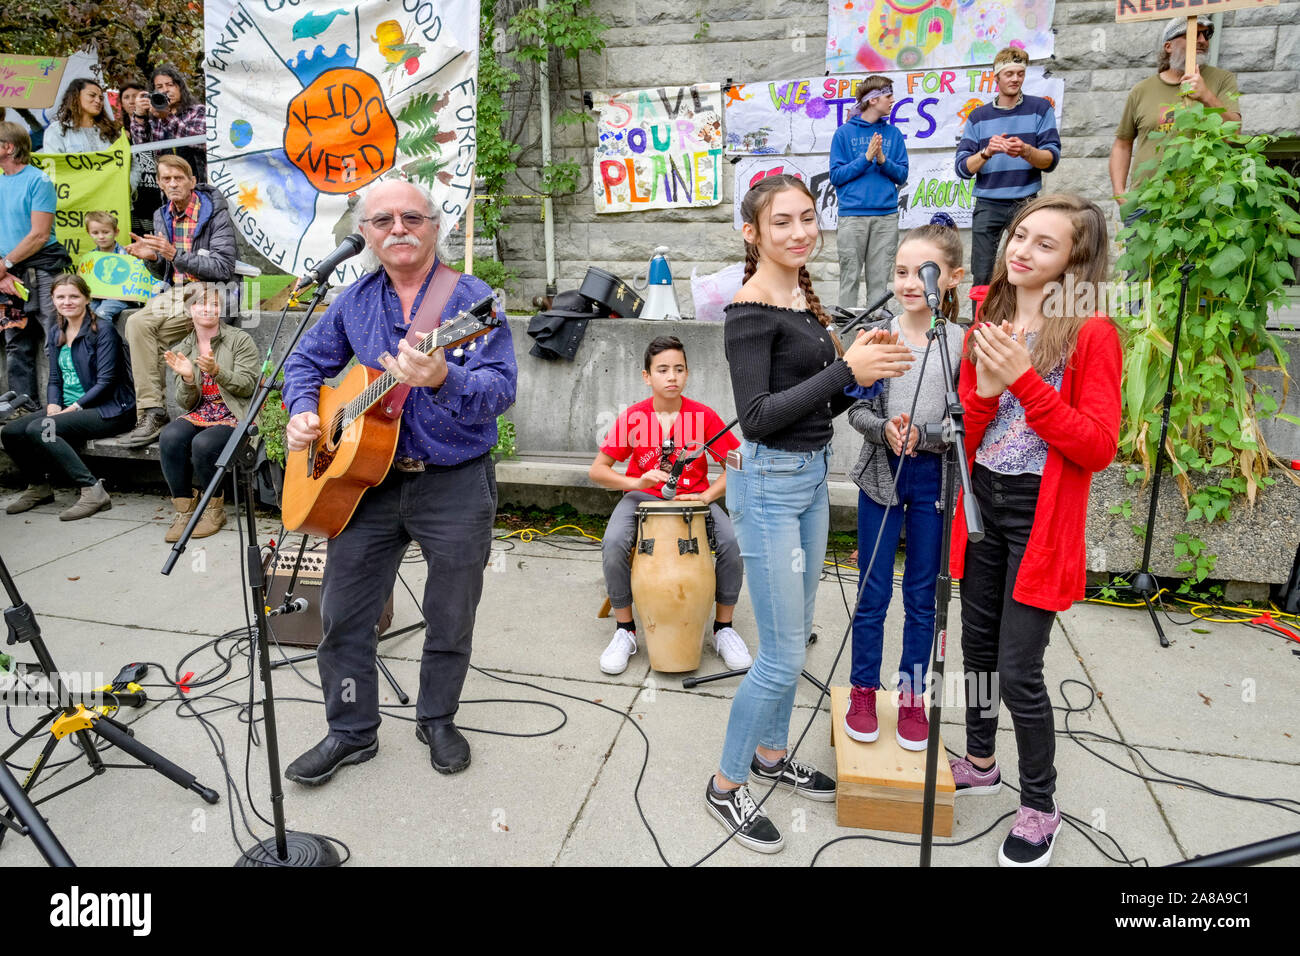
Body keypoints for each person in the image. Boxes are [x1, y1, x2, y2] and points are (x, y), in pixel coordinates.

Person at [281, 178, 517, 785]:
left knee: (450, 613)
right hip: (364, 485)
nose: (397, 229)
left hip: (454, 482)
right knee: (344, 614)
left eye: (411, 217)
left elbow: (500, 391)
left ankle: (437, 718)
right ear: (365, 235)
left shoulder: (472, 301)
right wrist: (306, 408)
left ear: (435, 226)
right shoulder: (353, 301)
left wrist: (443, 379)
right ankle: (351, 731)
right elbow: (305, 362)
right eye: (382, 220)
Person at [706, 174, 914, 853]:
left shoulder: (801, 300)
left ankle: (770, 755)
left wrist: (865, 382)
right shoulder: (749, 311)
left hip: (809, 480)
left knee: (794, 639)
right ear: (752, 233)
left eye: (807, 219)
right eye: (782, 222)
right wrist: (845, 369)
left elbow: (816, 407)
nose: (800, 232)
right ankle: (726, 784)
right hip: (768, 485)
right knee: (783, 653)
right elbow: (760, 419)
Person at [947, 193, 1120, 867]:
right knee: (977, 650)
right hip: (982, 497)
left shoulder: (1091, 331)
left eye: (1044, 244)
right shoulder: (988, 309)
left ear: (1075, 259)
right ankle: (984, 759)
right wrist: (988, 390)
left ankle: (1041, 806)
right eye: (1020, 235)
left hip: (1038, 509)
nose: (1021, 249)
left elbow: (1097, 445)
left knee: (1020, 668)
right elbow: (968, 421)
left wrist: (1024, 379)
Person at [844, 215, 965, 751]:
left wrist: (930, 432)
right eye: (900, 271)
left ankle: (913, 695)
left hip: (934, 481)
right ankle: (863, 690)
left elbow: (965, 423)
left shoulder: (960, 343)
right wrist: (885, 428)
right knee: (872, 592)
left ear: (953, 279)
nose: (910, 282)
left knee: (922, 596)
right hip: (881, 479)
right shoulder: (879, 336)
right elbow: (858, 411)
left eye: (924, 272)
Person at [589, 335, 751, 676]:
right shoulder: (633, 417)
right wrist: (635, 482)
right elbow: (597, 471)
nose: (672, 376)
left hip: (695, 501)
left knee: (732, 543)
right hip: (641, 500)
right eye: (662, 370)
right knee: (614, 542)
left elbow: (739, 464)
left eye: (679, 369)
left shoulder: (703, 416)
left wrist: (708, 496)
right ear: (647, 376)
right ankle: (625, 630)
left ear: (688, 374)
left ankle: (724, 629)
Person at [119, 154, 236, 447]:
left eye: (179, 178)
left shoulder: (215, 212)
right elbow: (167, 269)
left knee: (148, 332)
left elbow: (223, 268)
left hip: (210, 289)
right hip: (176, 292)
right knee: (137, 325)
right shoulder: (162, 215)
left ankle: (157, 414)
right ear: (159, 183)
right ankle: (153, 413)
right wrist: (153, 260)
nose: (173, 184)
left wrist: (173, 254)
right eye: (166, 179)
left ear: (192, 181)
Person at [1, 274, 135, 520]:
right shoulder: (56, 332)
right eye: (61, 297)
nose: (67, 302)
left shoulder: (103, 330)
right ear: (53, 299)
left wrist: (73, 407)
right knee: (10, 432)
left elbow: (106, 382)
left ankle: (92, 489)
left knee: (41, 428)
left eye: (74, 296)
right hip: (70, 407)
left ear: (86, 298)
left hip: (110, 409)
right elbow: (54, 378)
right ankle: (38, 487)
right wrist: (53, 403)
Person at [954, 47, 1061, 295]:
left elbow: (1051, 159)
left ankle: (1022, 324)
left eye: (1020, 74)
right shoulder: (978, 116)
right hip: (988, 202)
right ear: (996, 78)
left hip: (1025, 202)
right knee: (982, 271)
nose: (1015, 79)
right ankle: (979, 326)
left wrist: (1026, 151)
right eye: (1009, 74)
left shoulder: (1040, 109)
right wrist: (986, 152)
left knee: (1025, 267)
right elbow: (962, 169)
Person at [158, 282, 259, 541]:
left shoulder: (239, 339)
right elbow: (185, 402)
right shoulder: (185, 346)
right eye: (201, 303)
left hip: (234, 414)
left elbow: (248, 386)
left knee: (203, 444)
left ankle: (213, 508)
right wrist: (190, 379)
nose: (208, 309)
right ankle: (184, 510)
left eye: (214, 304)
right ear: (190, 309)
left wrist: (217, 371)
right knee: (170, 437)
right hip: (201, 412)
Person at [1109, 16, 1240, 205]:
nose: (1203, 40)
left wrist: (1206, 96)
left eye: (1206, 34)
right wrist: (1120, 194)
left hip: (1201, 203)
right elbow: (1122, 143)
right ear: (1168, 46)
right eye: (1194, 34)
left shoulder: (1222, 80)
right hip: (1145, 202)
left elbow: (1234, 134)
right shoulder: (1141, 90)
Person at [0, 121, 71, 419]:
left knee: (54, 336)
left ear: (8, 147)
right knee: (16, 341)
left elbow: (40, 234)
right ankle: (23, 406)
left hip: (40, 269)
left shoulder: (38, 181)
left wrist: (4, 266)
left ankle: (63, 407)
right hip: (7, 275)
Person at [830, 76, 908, 312]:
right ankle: (846, 334)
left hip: (886, 217)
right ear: (873, 100)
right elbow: (836, 176)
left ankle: (877, 330)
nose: (893, 100)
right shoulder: (843, 134)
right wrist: (865, 159)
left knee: (879, 280)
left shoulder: (893, 134)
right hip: (852, 217)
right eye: (888, 96)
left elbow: (902, 175)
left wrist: (883, 160)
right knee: (849, 277)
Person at [127, 65, 207, 182]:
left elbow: (200, 142)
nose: (165, 90)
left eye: (170, 85)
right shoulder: (153, 117)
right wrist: (139, 116)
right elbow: (142, 149)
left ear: (180, 87)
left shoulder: (197, 111)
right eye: (159, 87)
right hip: (167, 188)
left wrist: (167, 117)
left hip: (198, 184)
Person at [82, 211, 135, 323]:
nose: (101, 236)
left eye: (106, 232)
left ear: (116, 232)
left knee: (101, 314)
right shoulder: (90, 258)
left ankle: (105, 339)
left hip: (120, 298)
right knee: (84, 314)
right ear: (88, 233)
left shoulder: (126, 255)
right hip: (97, 297)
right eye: (95, 233)